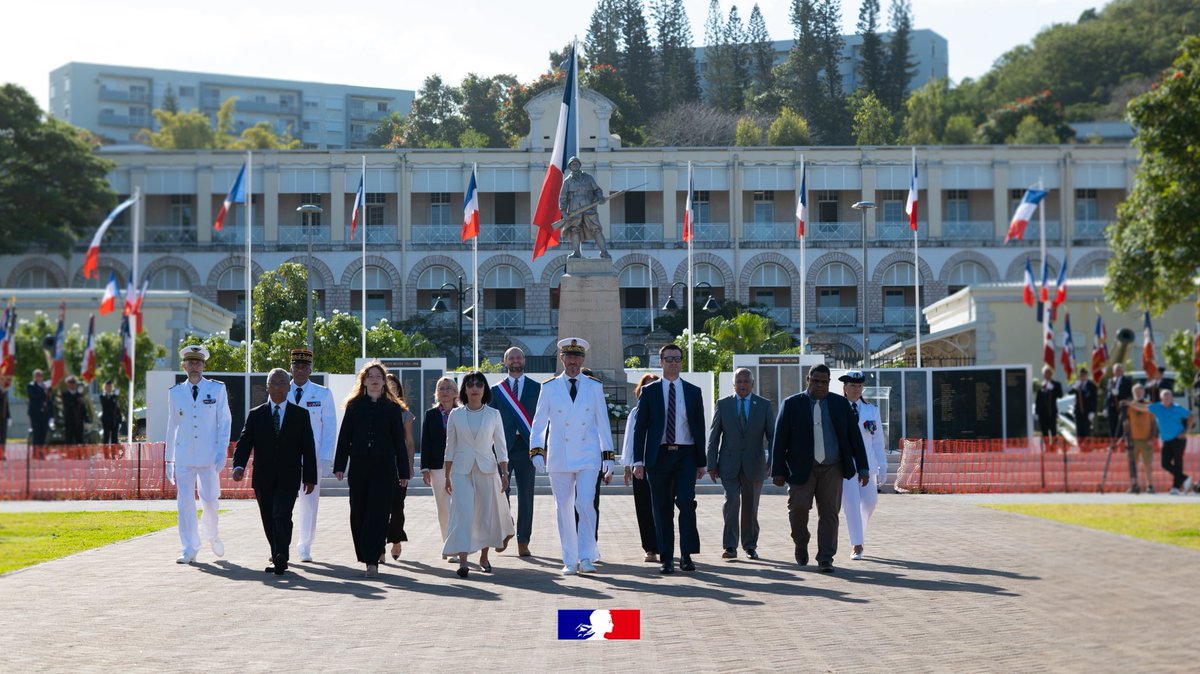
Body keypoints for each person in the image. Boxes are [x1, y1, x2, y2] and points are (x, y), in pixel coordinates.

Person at [771, 364, 870, 573]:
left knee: (829, 513)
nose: (819, 385)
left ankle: (826, 557)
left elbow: (854, 438)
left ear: (829, 383)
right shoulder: (791, 404)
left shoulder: (840, 405)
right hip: (800, 469)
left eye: (824, 382)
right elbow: (780, 440)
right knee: (797, 508)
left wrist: (863, 467)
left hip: (832, 468)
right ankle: (801, 541)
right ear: (808, 380)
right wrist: (777, 470)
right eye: (815, 381)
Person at [529, 337, 614, 575]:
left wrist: (608, 455)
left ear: (583, 359)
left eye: (577, 357)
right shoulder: (549, 387)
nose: (573, 362)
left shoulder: (594, 386)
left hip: (588, 454)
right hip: (560, 454)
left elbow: (602, 422)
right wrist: (537, 449)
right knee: (563, 507)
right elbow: (539, 422)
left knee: (585, 504)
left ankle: (587, 555)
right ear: (562, 358)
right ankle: (569, 558)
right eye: (569, 357)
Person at [231, 368, 318, 576]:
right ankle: (276, 551)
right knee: (268, 517)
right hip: (263, 476)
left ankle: (281, 556)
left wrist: (310, 477)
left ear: (289, 387)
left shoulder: (301, 415)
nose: (278, 386)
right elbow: (244, 443)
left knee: (282, 514)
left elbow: (308, 447)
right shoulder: (256, 415)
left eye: (282, 382)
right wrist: (238, 466)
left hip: (289, 476)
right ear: (267, 387)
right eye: (274, 383)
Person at [631, 343, 707, 575]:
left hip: (685, 454)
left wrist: (701, 461)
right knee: (661, 508)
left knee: (686, 502)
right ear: (661, 362)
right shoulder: (650, 391)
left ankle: (686, 555)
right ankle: (666, 557)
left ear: (681, 362)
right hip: (659, 456)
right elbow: (640, 428)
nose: (673, 362)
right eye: (669, 358)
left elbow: (699, 427)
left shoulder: (693, 392)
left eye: (677, 358)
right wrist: (638, 461)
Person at [333, 362, 411, 578]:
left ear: (384, 382)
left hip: (384, 467)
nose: (375, 380)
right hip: (359, 466)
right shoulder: (354, 406)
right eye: (370, 376)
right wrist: (340, 465)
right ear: (364, 381)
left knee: (378, 513)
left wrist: (403, 472)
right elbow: (344, 438)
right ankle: (365, 553)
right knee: (358, 511)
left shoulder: (393, 409)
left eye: (379, 376)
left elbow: (399, 443)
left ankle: (372, 559)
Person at [442, 371, 514, 577]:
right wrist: (447, 475)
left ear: (484, 389)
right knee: (463, 514)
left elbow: (501, 446)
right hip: (461, 471)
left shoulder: (493, 414)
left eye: (479, 384)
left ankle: (484, 557)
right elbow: (450, 447)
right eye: (470, 384)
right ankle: (463, 561)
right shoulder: (455, 414)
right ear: (464, 389)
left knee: (485, 514)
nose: (475, 388)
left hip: (487, 469)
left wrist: (505, 472)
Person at [165, 345, 232, 564]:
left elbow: (224, 421)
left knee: (211, 500)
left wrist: (222, 450)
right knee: (184, 503)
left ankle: (212, 534)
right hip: (184, 455)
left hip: (208, 455)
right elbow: (172, 426)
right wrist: (169, 459)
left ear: (204, 365)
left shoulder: (217, 389)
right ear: (183, 365)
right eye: (190, 362)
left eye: (198, 362)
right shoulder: (175, 392)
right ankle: (189, 547)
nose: (194, 366)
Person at [705, 367, 774, 560]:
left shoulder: (763, 405)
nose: (742, 385)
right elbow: (714, 435)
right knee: (732, 502)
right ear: (733, 384)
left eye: (746, 381)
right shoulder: (723, 404)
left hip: (755, 464)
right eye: (739, 381)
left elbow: (772, 435)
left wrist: (773, 461)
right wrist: (711, 463)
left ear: (753, 384)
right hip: (728, 463)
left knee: (751, 507)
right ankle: (730, 546)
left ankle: (750, 545)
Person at [287, 348, 337, 563]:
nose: (300, 370)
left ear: (310, 369)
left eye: (304, 367)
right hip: (285, 457)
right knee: (283, 503)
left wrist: (326, 458)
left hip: (311, 457)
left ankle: (305, 545)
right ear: (291, 368)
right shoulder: (281, 390)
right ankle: (281, 545)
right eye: (296, 366)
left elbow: (329, 428)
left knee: (309, 503)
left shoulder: (322, 393)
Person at [488, 346, 539, 557]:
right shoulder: (495, 391)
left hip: (527, 448)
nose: (516, 360)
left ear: (524, 360)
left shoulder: (537, 388)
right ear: (505, 361)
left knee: (526, 495)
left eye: (519, 357)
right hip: (503, 450)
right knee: (502, 494)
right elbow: (489, 419)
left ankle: (523, 540)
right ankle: (506, 530)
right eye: (512, 357)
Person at [837, 370, 888, 561]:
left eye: (859, 386)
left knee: (869, 503)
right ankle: (857, 545)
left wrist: (882, 464)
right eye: (852, 386)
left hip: (868, 464)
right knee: (851, 505)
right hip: (846, 465)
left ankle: (859, 535)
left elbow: (877, 440)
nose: (856, 389)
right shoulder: (838, 408)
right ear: (845, 387)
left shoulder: (870, 410)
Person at [621, 373, 660, 563]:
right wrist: (628, 465)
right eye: (646, 387)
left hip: (662, 464)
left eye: (654, 386)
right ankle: (650, 548)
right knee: (644, 507)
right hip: (641, 466)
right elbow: (629, 440)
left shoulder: (667, 409)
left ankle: (664, 544)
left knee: (663, 507)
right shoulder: (635, 413)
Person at [421, 376, 457, 560]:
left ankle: (459, 543)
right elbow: (425, 442)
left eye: (448, 388)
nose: (445, 391)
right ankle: (448, 546)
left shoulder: (462, 412)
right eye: (441, 388)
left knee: (458, 506)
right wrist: (424, 468)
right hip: (436, 466)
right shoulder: (431, 414)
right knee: (443, 506)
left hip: (459, 466)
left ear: (455, 392)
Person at [383, 372, 417, 561]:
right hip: (379, 464)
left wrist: (410, 465)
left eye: (394, 387)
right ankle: (378, 545)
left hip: (398, 466)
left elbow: (410, 442)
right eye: (388, 386)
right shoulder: (373, 408)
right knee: (379, 507)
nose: (391, 390)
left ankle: (396, 540)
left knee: (397, 507)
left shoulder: (404, 413)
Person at [558, 156, 611, 259]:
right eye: (573, 164)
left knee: (596, 229)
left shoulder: (588, 177)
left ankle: (604, 252)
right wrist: (563, 211)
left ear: (580, 165)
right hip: (574, 209)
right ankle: (576, 252)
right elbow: (563, 197)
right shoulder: (567, 181)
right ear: (570, 167)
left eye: (577, 163)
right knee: (574, 229)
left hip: (589, 207)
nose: (575, 165)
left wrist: (600, 197)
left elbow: (597, 190)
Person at [1148, 389, 1193, 495]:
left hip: (1179, 439)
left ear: (1172, 397)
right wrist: (1131, 404)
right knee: (1165, 464)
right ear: (1161, 398)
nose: (1167, 398)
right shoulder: (1157, 407)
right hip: (1166, 440)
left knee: (1178, 463)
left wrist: (1186, 431)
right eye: (1165, 396)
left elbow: (1191, 417)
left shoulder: (1177, 408)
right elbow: (1144, 408)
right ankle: (1185, 478)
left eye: (1169, 396)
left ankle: (1176, 488)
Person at [1121, 383, 1159, 494]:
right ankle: (1134, 484)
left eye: (1140, 391)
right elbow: (1126, 422)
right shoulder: (1129, 406)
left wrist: (1153, 437)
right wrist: (1127, 437)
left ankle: (1149, 485)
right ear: (1133, 393)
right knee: (1133, 463)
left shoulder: (1149, 405)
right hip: (1133, 439)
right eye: (1136, 391)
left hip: (1147, 439)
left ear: (1144, 392)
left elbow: (1154, 423)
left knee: (1148, 463)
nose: (1138, 393)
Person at [1034, 365, 1063, 451]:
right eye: (1045, 373)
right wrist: (1036, 412)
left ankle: (1054, 447)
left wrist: (1053, 389)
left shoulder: (1056, 384)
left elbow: (1060, 395)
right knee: (1044, 432)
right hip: (1043, 413)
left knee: (1053, 431)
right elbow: (1038, 400)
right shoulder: (1041, 386)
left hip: (1052, 412)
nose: (1047, 375)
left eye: (1048, 373)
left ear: (1051, 374)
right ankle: (1047, 447)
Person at [1106, 363, 1133, 437]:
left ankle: (1122, 444)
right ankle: (1113, 443)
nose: (1117, 372)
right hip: (1111, 407)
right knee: (1112, 426)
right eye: (1115, 370)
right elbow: (1107, 395)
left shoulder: (1127, 381)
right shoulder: (1110, 381)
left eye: (1119, 370)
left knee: (1121, 426)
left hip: (1122, 407)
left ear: (1122, 371)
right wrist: (1105, 407)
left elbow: (1129, 394)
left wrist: (1119, 393)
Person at [1072, 366, 1098, 442]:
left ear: (1086, 376)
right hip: (1078, 412)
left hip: (1087, 412)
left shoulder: (1091, 386)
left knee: (1086, 431)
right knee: (1079, 431)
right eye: (1081, 375)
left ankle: (1087, 449)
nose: (1082, 377)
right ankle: (1081, 448)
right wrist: (1075, 386)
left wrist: (1092, 411)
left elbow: (1094, 399)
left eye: (1084, 375)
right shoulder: (1078, 385)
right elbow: (1070, 392)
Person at [26, 369, 51, 450]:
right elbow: (34, 396)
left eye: (40, 376)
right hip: (35, 412)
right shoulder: (31, 385)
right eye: (37, 376)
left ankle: (42, 451)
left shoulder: (45, 386)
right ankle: (36, 452)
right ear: (34, 377)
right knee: (36, 432)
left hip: (45, 413)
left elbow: (49, 399)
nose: (38, 377)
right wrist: (43, 390)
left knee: (43, 432)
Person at [99, 380, 122, 445]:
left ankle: (114, 454)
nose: (109, 388)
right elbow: (106, 404)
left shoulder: (114, 396)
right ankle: (106, 454)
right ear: (105, 387)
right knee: (106, 438)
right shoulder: (103, 396)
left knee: (115, 439)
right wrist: (115, 395)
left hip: (114, 420)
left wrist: (120, 420)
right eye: (107, 386)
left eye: (110, 386)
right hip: (106, 420)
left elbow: (117, 409)